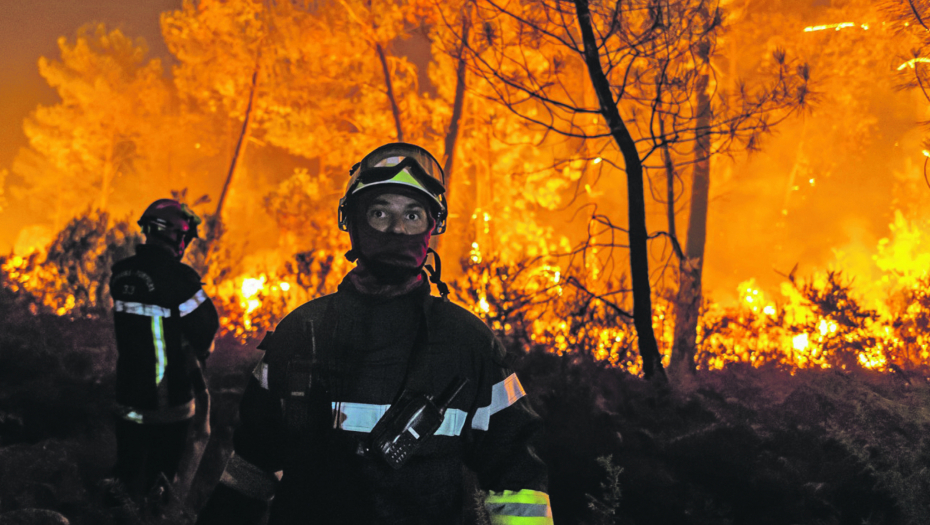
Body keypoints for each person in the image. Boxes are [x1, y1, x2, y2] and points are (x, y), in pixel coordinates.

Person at [196, 143, 552, 524]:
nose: (397, 229)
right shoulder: (299, 333)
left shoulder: (469, 345)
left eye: (412, 215)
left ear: (432, 227)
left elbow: (517, 482)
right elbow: (251, 470)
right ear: (352, 222)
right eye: (380, 213)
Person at [109, 199, 219, 500]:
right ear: (176, 235)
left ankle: (112, 515)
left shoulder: (121, 274)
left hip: (127, 397)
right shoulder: (180, 279)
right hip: (169, 404)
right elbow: (206, 328)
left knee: (125, 475)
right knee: (160, 483)